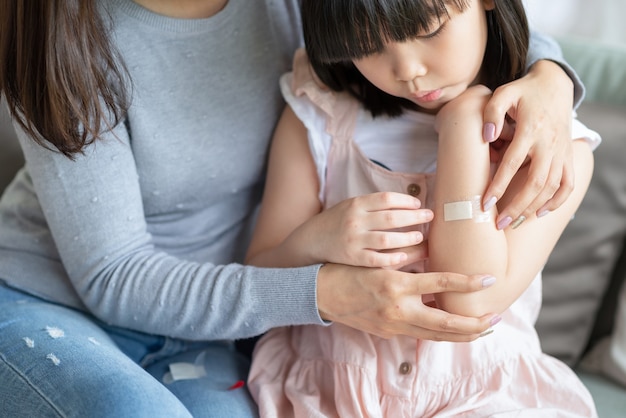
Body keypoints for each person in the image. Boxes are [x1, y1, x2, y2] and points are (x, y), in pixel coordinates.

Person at [0, 0, 587, 416]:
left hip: (213, 325)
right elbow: (113, 276)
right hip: (51, 299)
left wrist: (550, 78)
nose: (407, 68)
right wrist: (323, 290)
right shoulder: (56, 34)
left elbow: (431, 21)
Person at [245, 0, 600, 416]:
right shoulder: (319, 114)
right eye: (367, 46)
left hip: (482, 397)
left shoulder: (553, 151)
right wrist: (314, 241)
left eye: (429, 31)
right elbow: (258, 279)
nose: (408, 70)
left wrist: (465, 126)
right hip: (324, 394)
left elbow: (470, 299)